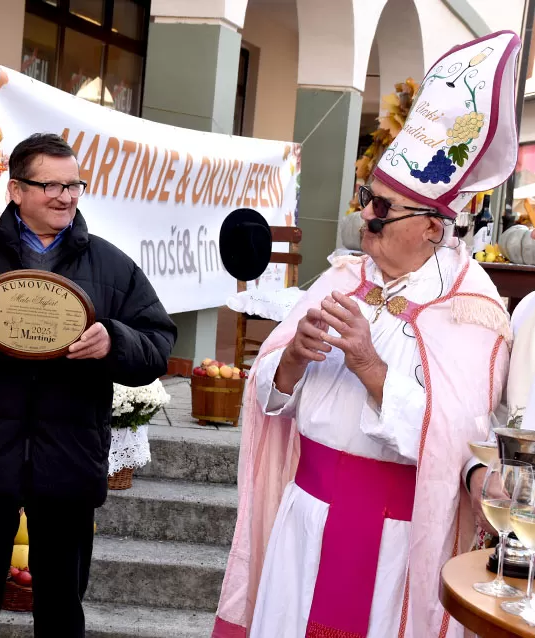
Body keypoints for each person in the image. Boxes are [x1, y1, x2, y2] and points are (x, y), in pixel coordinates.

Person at [213, 31, 520, 638]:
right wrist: (292, 362)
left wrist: (370, 366)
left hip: (394, 540)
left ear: (434, 227)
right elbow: (269, 399)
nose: (366, 219)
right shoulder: (343, 276)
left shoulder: (473, 310)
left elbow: (461, 444)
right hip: (303, 520)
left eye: (382, 209)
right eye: (366, 201)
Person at [0, 133, 176, 638]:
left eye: (74, 185)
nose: (65, 197)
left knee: (63, 610)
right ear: (16, 189)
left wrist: (114, 341)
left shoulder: (110, 266)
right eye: (51, 185)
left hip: (68, 461)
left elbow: (157, 346)